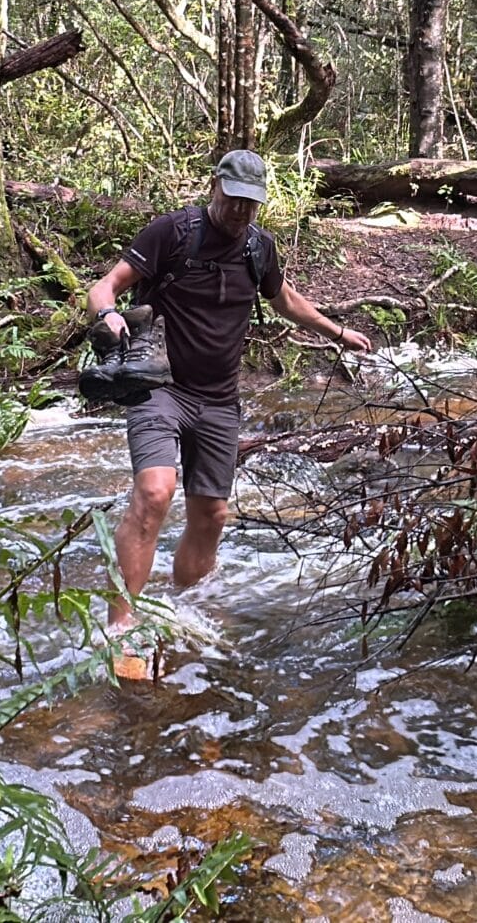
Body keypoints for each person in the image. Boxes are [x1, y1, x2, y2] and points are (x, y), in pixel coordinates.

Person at [83, 149, 373, 680]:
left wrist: (337, 333)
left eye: (251, 204)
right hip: (159, 387)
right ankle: (119, 627)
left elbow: (285, 298)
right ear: (215, 186)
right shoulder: (171, 233)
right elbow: (105, 285)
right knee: (153, 493)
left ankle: (182, 611)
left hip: (219, 400)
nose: (241, 212)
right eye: (234, 200)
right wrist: (107, 313)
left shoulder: (258, 248)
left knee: (212, 515)